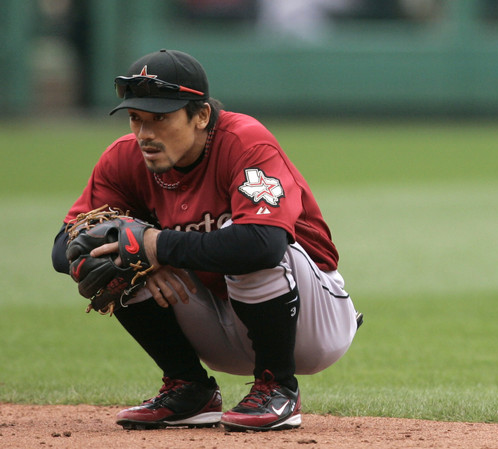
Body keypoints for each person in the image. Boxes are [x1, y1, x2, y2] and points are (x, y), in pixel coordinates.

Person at [51, 49, 362, 432]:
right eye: (136, 118)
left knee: (241, 243)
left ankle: (278, 387)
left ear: (201, 116)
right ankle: (189, 389)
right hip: (219, 320)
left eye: (161, 119)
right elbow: (67, 249)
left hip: (313, 323)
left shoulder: (244, 142)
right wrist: (141, 263)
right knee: (112, 256)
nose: (145, 134)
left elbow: (263, 246)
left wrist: (155, 246)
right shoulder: (124, 160)